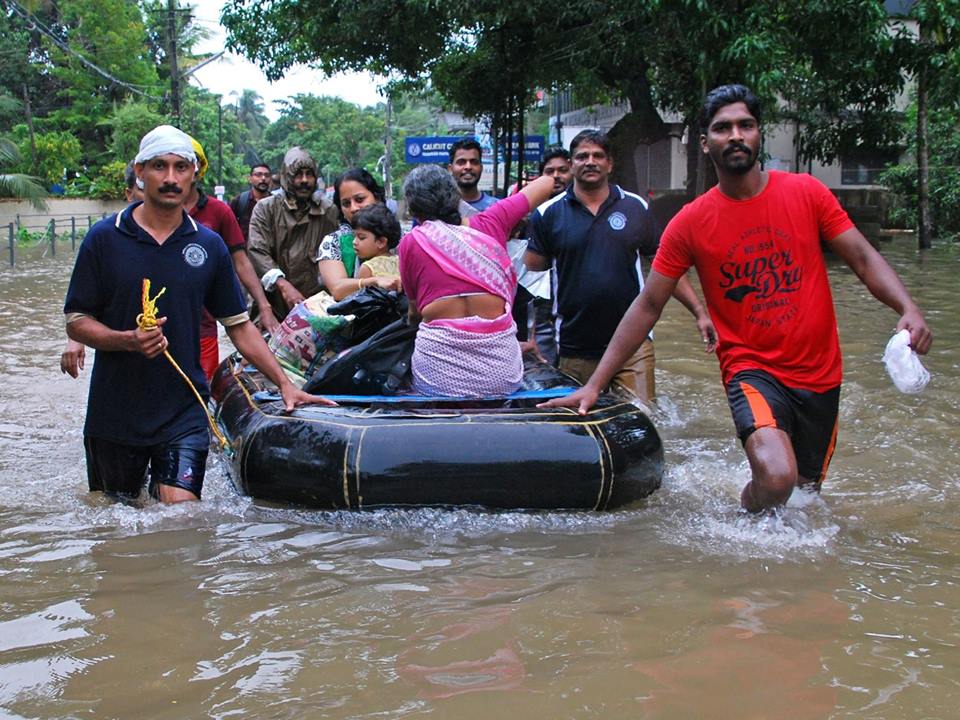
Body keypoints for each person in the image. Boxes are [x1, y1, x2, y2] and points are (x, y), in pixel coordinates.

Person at [542, 84, 933, 513]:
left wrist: (907, 308)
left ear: (758, 134)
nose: (735, 135)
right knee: (777, 476)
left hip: (820, 372)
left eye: (745, 125)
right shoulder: (690, 223)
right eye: (723, 128)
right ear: (706, 142)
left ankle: (760, 548)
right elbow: (648, 305)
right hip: (751, 369)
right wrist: (596, 385)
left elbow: (861, 256)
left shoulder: (806, 193)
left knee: (803, 494)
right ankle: (745, 517)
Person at [63, 125, 332, 504]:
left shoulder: (209, 246)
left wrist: (285, 383)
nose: (171, 178)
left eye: (180, 167)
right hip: (115, 412)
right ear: (140, 172)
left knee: (182, 519)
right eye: (159, 166)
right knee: (115, 520)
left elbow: (239, 327)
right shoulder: (104, 239)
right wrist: (127, 340)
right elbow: (76, 319)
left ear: (193, 175)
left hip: (183, 410)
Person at [525, 129, 715, 404]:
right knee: (578, 427)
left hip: (633, 343)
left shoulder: (636, 207)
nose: (590, 161)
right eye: (582, 156)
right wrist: (531, 338)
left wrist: (699, 312)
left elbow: (666, 267)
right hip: (573, 345)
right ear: (571, 164)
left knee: (641, 418)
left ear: (610, 164)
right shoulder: (548, 214)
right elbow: (533, 279)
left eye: (598, 155)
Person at [399, 165, 556, 397]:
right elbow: (547, 183)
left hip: (436, 375)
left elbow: (415, 314)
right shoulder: (493, 221)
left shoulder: (411, 243)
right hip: (501, 373)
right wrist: (508, 206)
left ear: (414, 209)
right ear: (456, 197)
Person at [185, 137, 279, 378]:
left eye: (186, 164)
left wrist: (264, 305)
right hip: (154, 328)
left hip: (204, 323)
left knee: (201, 394)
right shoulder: (142, 218)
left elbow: (240, 260)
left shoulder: (219, 211)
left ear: (199, 169)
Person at [61, 161, 146, 378]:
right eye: (143, 187)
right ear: (129, 193)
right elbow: (84, 301)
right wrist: (76, 338)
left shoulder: (196, 236)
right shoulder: (105, 237)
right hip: (119, 366)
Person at [247, 147, 339, 320]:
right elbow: (257, 252)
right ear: (286, 176)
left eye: (309, 174)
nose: (304, 180)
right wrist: (282, 285)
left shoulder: (328, 211)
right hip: (273, 302)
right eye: (298, 174)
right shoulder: (266, 209)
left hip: (317, 306)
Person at [317, 167, 400, 301]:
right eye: (346, 203)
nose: (354, 208)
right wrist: (374, 280)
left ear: (377, 197)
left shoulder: (404, 239)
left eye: (360, 199)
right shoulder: (333, 242)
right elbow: (338, 290)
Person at [352, 204, 402, 280]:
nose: (354, 242)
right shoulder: (399, 261)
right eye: (354, 236)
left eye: (361, 238)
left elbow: (359, 291)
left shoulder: (368, 268)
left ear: (381, 242)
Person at [448, 138, 496, 211]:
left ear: (481, 168)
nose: (468, 167)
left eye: (474, 162)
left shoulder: (495, 207)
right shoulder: (440, 208)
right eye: (461, 162)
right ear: (450, 169)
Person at [229, 163, 272, 241]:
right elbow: (229, 228)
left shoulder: (276, 203)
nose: (263, 178)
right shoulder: (240, 201)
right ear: (250, 179)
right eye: (258, 175)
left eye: (267, 175)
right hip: (245, 250)